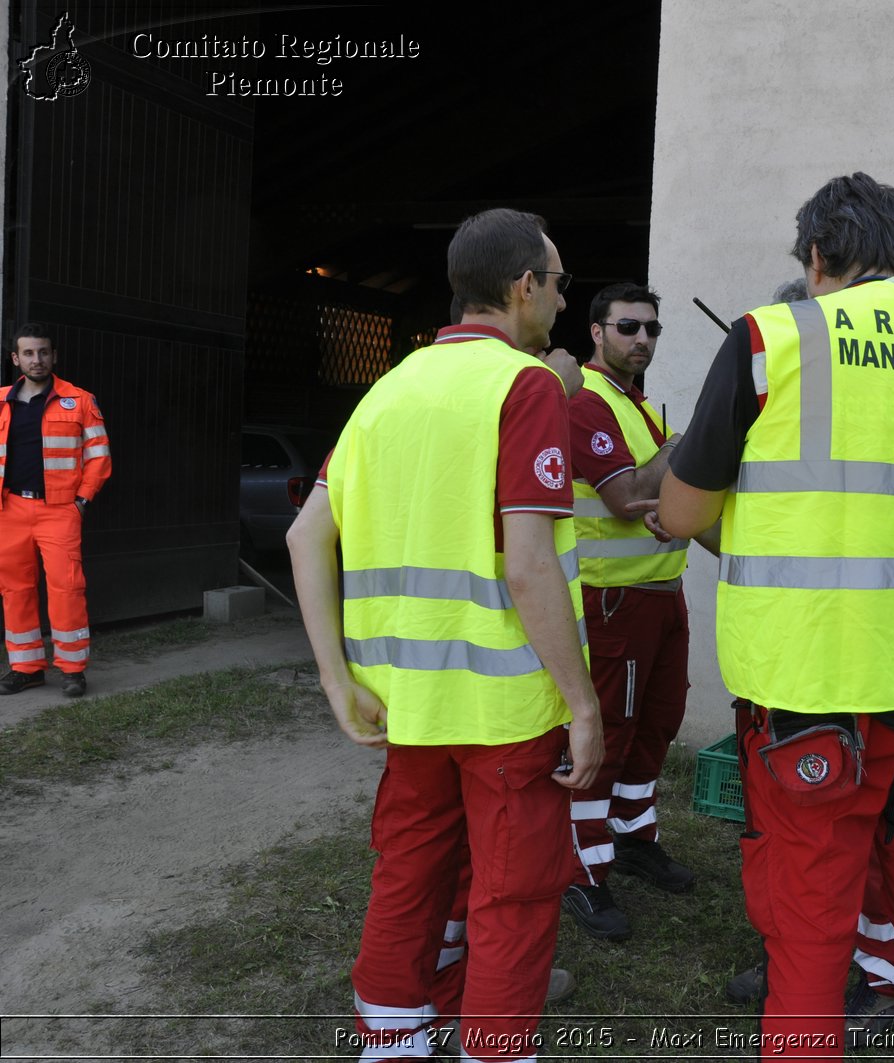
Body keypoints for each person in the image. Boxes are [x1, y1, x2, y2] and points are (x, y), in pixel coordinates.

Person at [658, 173, 894, 1061]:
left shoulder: (767, 340)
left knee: (813, 923)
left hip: (812, 687)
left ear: (816, 256)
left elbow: (680, 515)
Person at [287, 208, 602, 1062]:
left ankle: (391, 1040)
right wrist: (582, 703)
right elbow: (528, 565)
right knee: (515, 894)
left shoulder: (388, 387)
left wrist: (335, 680)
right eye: (561, 281)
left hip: (406, 702)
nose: (566, 300)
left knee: (409, 870)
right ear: (522, 287)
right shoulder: (526, 384)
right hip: (505, 708)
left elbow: (305, 535)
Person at [723, 280, 894, 1043]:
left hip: (831, 665)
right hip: (848, 660)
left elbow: (690, 507)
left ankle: (869, 972)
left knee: (845, 856)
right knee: (834, 854)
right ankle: (833, 963)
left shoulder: (783, 365)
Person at [560, 282, 709, 941]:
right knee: (611, 734)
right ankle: (581, 869)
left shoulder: (637, 407)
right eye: (628, 327)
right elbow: (629, 498)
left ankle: (631, 835)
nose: (642, 339)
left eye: (652, 329)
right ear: (597, 331)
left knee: (656, 726)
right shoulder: (588, 403)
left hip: (660, 595)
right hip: (612, 602)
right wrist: (707, 429)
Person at [0, 324, 110, 699]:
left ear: (54, 356)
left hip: (60, 510)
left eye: (43, 352)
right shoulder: (0, 401)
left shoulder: (79, 400)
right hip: (10, 509)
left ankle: (72, 669)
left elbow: (99, 457)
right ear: (16, 358)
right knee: (15, 590)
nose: (37, 359)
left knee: (67, 590)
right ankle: (26, 668)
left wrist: (81, 502)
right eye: (28, 353)